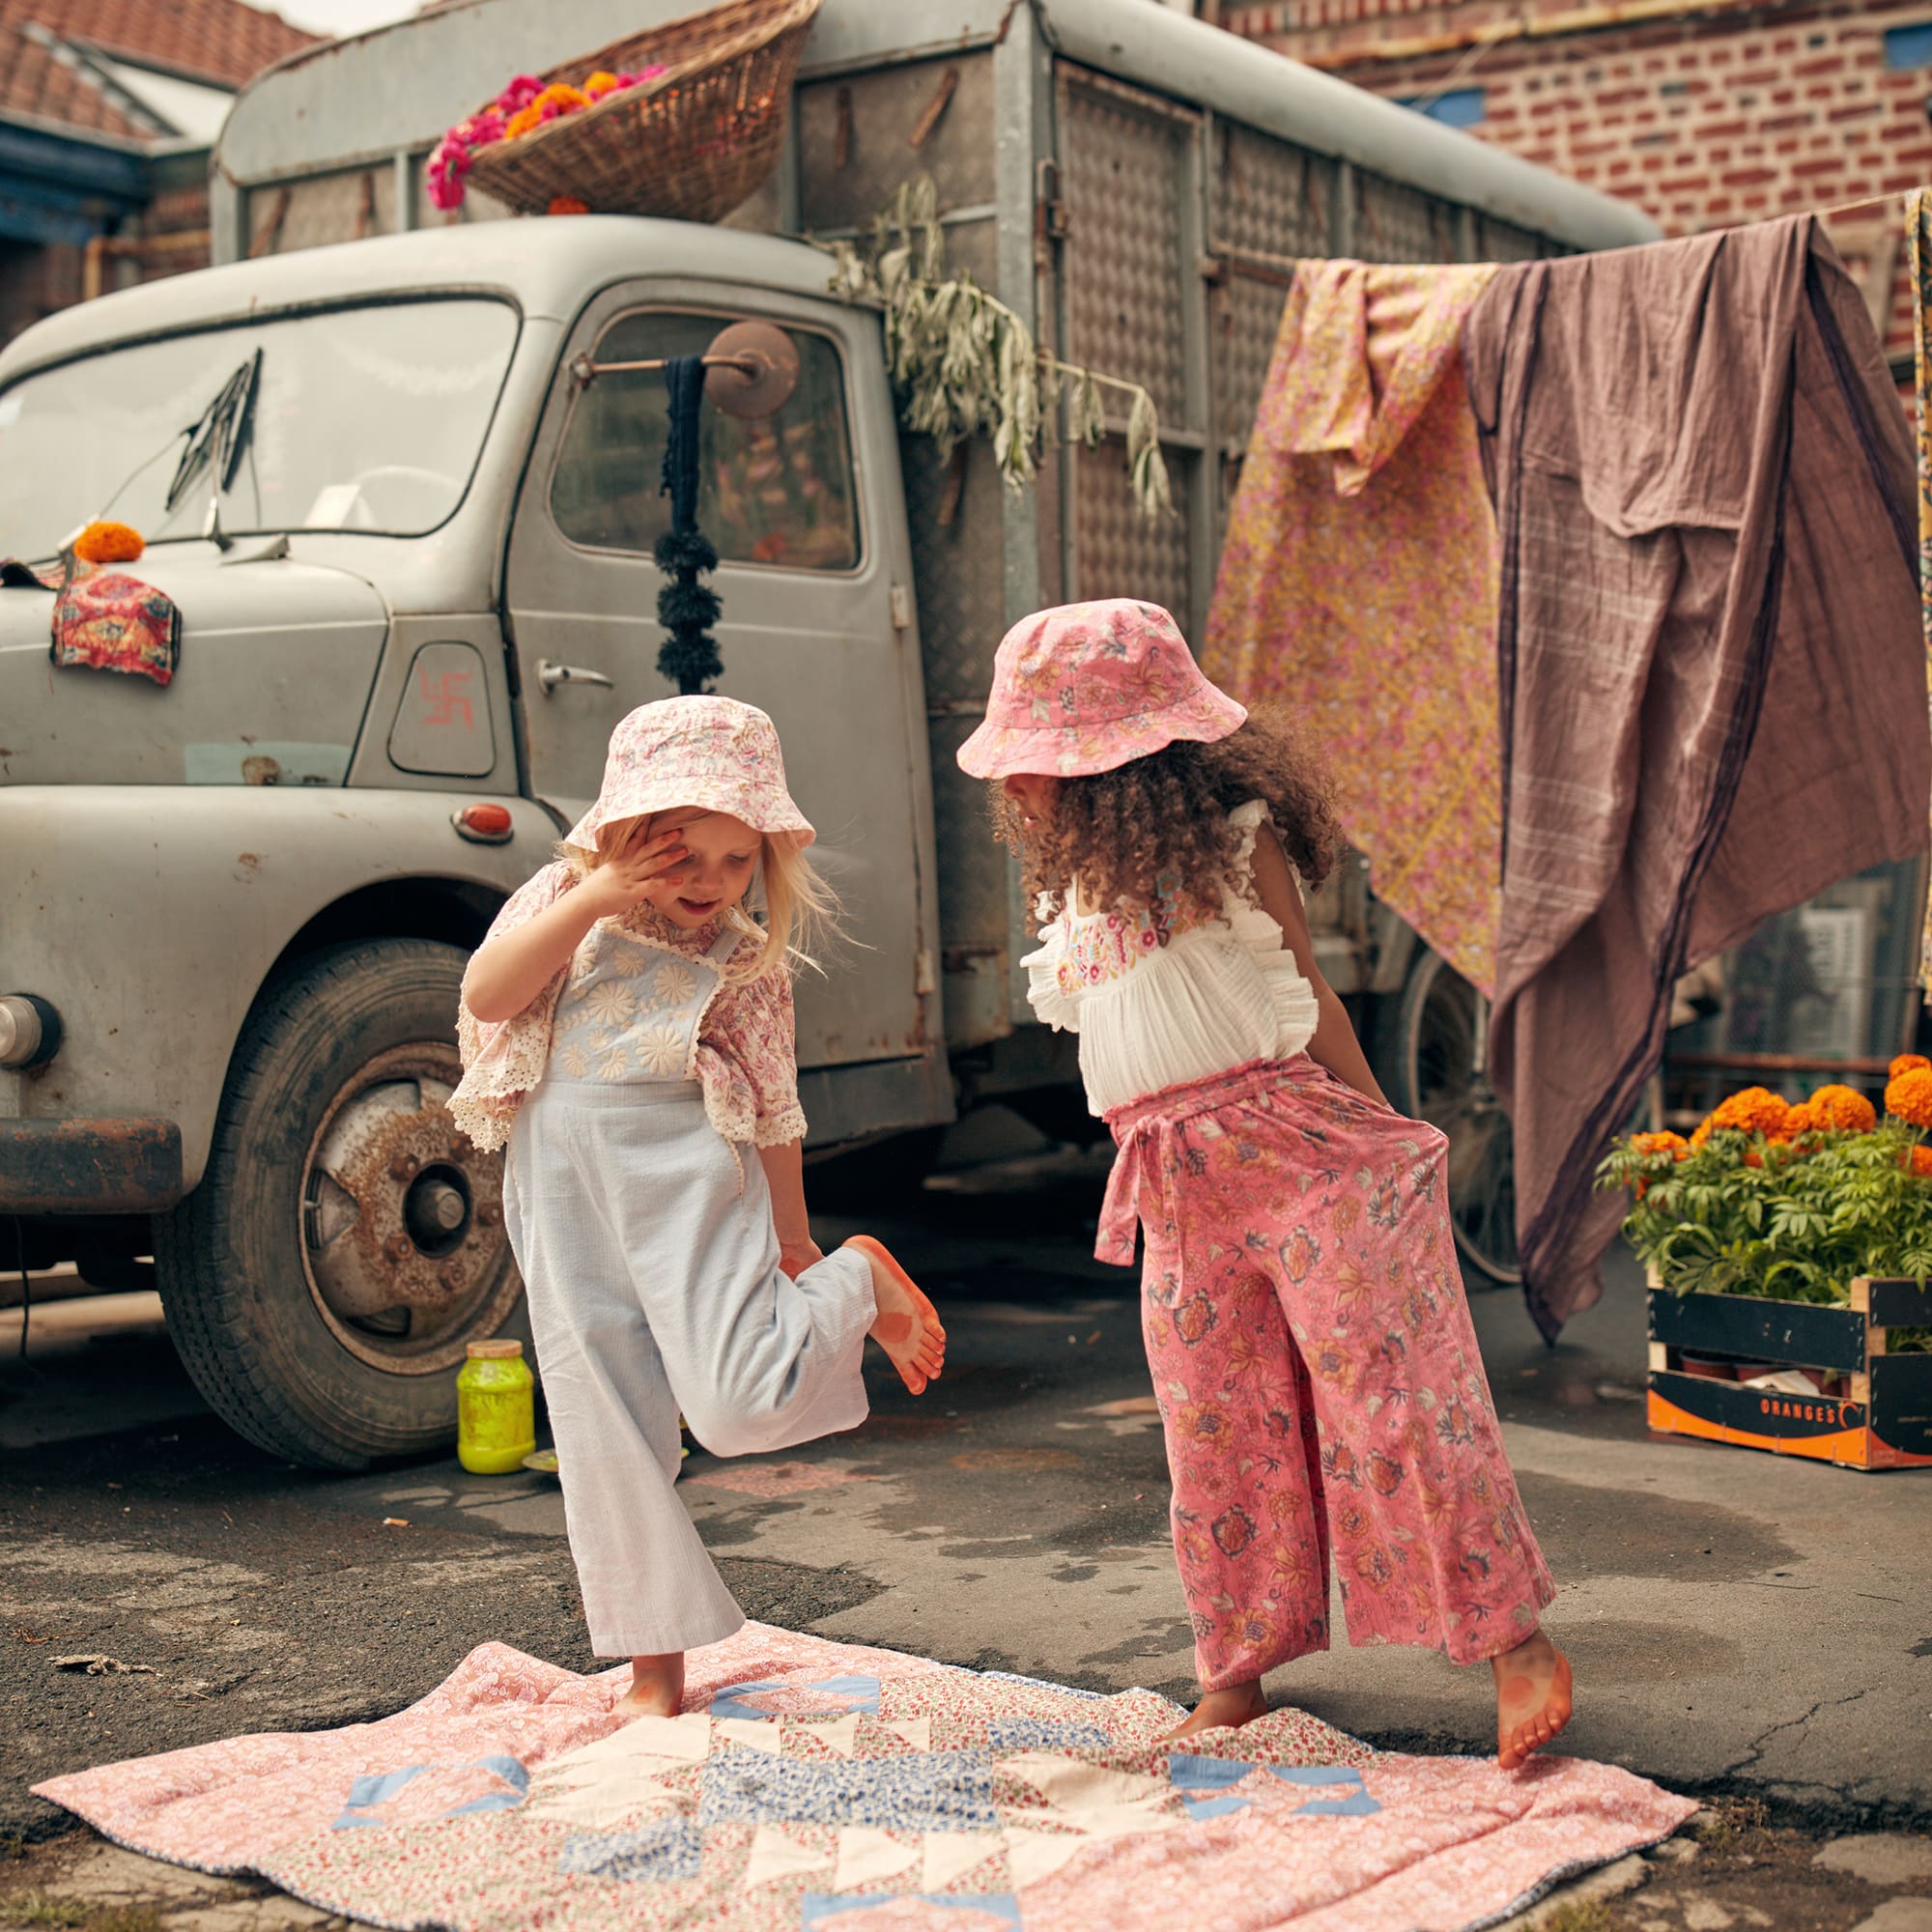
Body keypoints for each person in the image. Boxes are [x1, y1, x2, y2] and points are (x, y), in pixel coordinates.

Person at [957, 600, 1571, 1770]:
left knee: (1391, 1401)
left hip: (1293, 1153)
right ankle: (1231, 1672)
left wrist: (1386, 1132)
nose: (1021, 788)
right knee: (1212, 1429)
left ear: (1120, 768)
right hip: (1176, 1183)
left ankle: (1514, 1640)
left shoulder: (1236, 842)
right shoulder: (1077, 895)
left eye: (1042, 763)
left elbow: (1310, 998)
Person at [450, 696, 944, 1719]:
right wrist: (591, 899)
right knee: (599, 1418)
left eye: (736, 860)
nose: (712, 884)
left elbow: (774, 1108)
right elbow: (491, 996)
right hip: (560, 1179)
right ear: (628, 835)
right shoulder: (562, 899)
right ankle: (654, 1672)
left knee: (738, 1401)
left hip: (685, 1177)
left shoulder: (744, 956)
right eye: (686, 857)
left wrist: (801, 1241)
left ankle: (864, 1275)